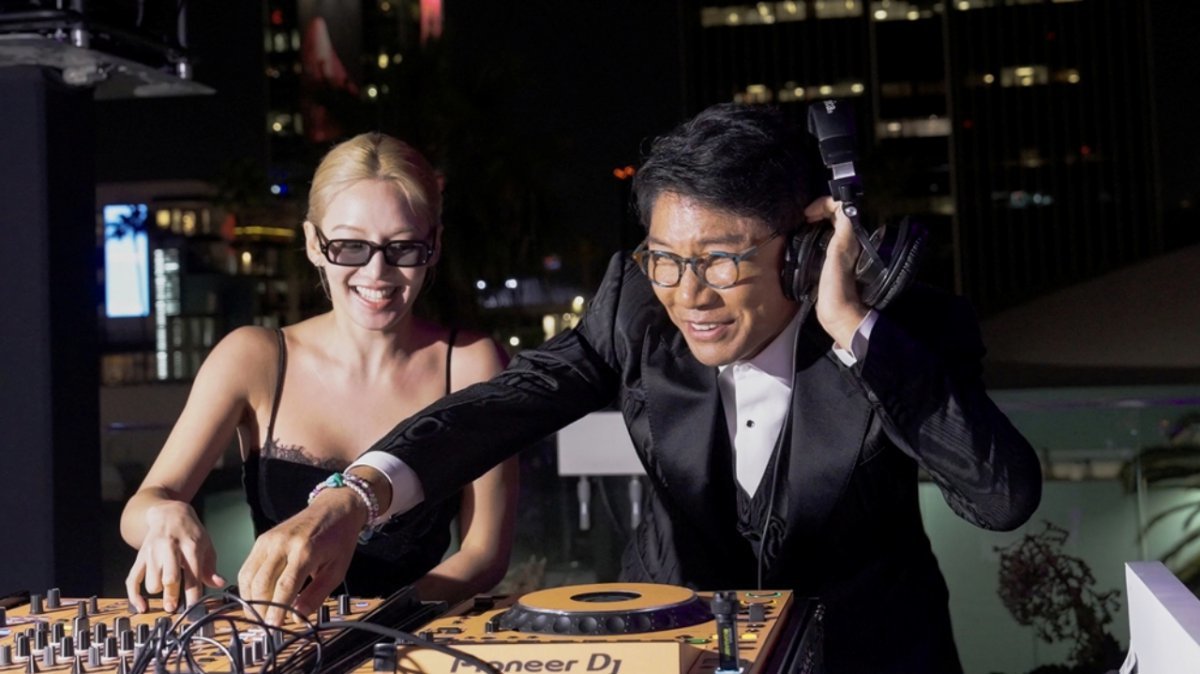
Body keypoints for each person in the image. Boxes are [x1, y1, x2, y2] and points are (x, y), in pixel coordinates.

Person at [234, 104, 1042, 672]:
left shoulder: (903, 331)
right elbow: (504, 406)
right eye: (665, 259)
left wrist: (852, 328)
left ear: (804, 246)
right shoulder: (636, 304)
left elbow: (1001, 497)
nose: (688, 295)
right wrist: (354, 497)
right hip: (673, 652)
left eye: (720, 261)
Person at [120, 133, 518, 613]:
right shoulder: (253, 358)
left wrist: (376, 624)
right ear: (314, 243)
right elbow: (143, 505)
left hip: (410, 633)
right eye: (350, 246)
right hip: (276, 634)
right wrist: (164, 515)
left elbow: (484, 553)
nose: (377, 271)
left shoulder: (473, 364)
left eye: (403, 247)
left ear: (433, 245)